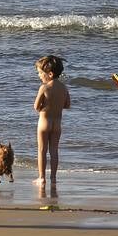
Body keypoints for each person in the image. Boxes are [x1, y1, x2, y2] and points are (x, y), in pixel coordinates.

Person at [32, 54, 70, 189]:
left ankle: (41, 178)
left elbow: (36, 107)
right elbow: (67, 105)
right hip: (57, 124)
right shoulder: (64, 88)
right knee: (54, 151)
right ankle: (53, 178)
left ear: (50, 73)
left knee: (42, 150)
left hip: (44, 123)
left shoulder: (44, 88)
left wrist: (44, 107)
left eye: (40, 73)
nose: (39, 76)